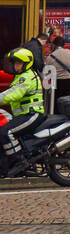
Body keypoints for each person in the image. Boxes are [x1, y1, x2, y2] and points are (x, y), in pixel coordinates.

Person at [0, 47, 45, 177]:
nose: (15, 66)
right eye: (15, 63)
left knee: (5, 132)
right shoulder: (21, 76)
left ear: (26, 64)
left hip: (32, 114)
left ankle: (20, 162)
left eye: (18, 63)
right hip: (22, 115)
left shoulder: (27, 77)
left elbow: (14, 94)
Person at [47, 35, 70, 101]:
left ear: (54, 45)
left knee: (57, 105)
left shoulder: (50, 57)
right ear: (63, 45)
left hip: (57, 84)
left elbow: (47, 74)